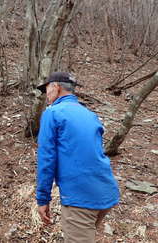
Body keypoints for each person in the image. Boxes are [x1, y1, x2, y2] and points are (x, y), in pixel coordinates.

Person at [36, 72, 120, 243]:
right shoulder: (89, 114)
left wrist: (42, 199)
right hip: (106, 192)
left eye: (46, 89)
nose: (46, 95)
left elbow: (46, 160)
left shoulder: (53, 113)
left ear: (55, 87)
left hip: (80, 199)